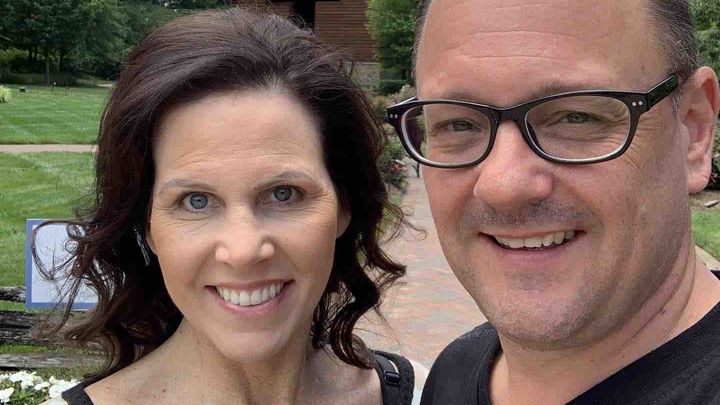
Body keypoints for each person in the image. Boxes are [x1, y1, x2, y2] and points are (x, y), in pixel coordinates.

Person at [37, 7, 419, 405]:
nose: (243, 251)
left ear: (344, 205)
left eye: (284, 193)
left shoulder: (428, 393)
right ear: (147, 225)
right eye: (196, 201)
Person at [386, 0, 720, 403]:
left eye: (576, 117)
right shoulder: (455, 372)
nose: (503, 185)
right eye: (458, 124)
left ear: (694, 130)